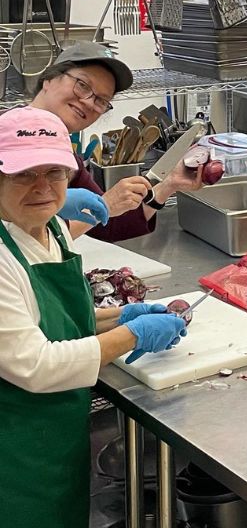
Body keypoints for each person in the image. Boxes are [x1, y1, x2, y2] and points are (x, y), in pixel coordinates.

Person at [0, 106, 187, 527]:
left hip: (53, 441)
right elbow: (37, 364)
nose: (43, 187)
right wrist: (135, 335)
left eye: (56, 173)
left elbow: (62, 322)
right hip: (12, 453)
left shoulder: (50, 231)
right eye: (23, 174)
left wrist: (126, 314)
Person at [30, 42, 203, 241]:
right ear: (48, 79)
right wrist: (106, 206)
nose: (88, 102)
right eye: (82, 85)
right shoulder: (6, 135)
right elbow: (28, 238)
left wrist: (169, 184)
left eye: (101, 101)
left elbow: (110, 225)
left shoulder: (66, 157)